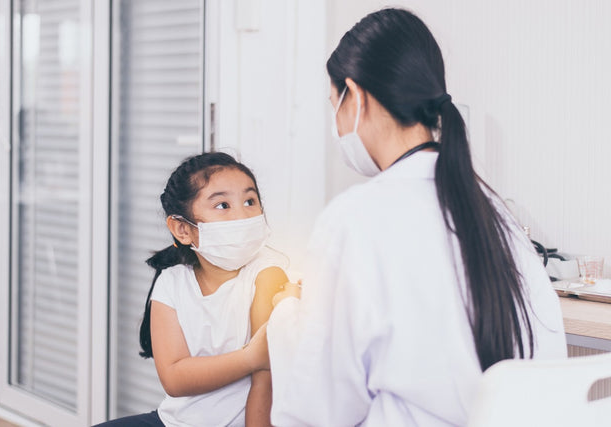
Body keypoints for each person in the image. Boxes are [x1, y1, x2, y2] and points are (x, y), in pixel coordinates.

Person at [258, 8, 567, 426]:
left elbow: (318, 411)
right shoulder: (495, 212)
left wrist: (286, 317)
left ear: (356, 97)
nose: (337, 124)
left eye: (335, 105)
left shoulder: (355, 219)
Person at [95, 152, 287, 427]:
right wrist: (249, 358)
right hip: (172, 421)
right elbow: (174, 378)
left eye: (250, 201)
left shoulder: (266, 275)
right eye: (223, 205)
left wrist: (257, 361)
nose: (242, 215)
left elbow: (265, 381)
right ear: (183, 229)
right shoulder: (171, 281)